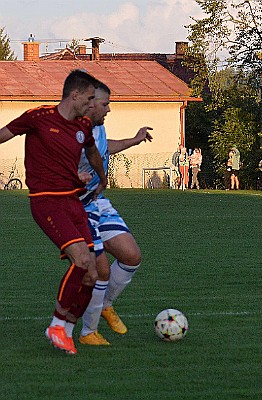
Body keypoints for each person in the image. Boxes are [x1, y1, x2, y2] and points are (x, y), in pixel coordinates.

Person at [0, 69, 108, 355]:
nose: (92, 104)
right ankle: (56, 324)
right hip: (47, 202)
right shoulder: (38, 117)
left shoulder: (83, 126)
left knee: (93, 273)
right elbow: (3, 135)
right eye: (88, 98)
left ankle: (66, 331)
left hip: (73, 202)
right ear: (74, 95)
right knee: (82, 260)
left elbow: (92, 151)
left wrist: (99, 176)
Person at [78, 81, 153, 345]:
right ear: (89, 103)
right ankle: (88, 333)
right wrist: (75, 175)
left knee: (131, 256)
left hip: (97, 202)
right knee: (100, 272)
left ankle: (106, 304)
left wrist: (134, 140)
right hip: (75, 207)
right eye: (105, 104)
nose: (109, 109)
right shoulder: (72, 129)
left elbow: (103, 146)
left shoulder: (96, 126)